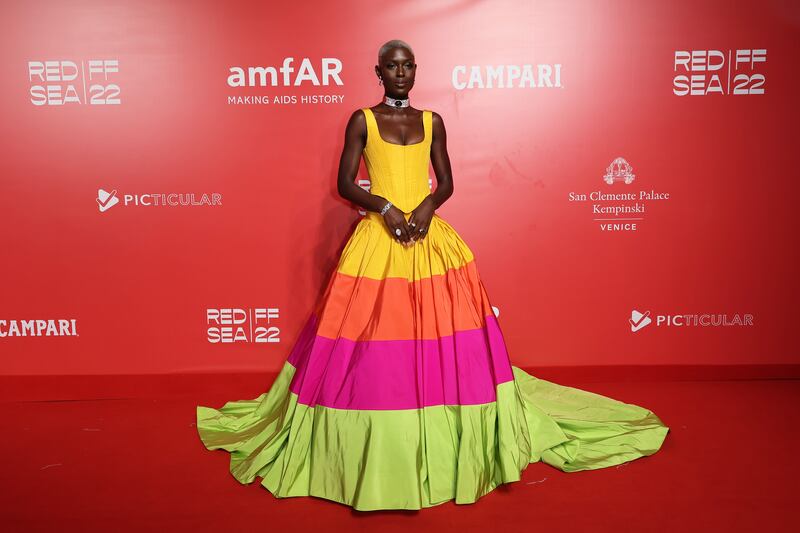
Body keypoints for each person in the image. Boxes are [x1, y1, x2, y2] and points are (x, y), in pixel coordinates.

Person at [196, 39, 669, 512]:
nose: (400, 73)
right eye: (391, 66)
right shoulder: (362, 119)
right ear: (378, 72)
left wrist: (426, 206)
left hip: (428, 237)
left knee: (444, 341)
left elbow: (446, 181)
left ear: (415, 71)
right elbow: (343, 182)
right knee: (378, 341)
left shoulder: (432, 122)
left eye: (407, 66)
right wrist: (383, 207)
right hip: (379, 241)